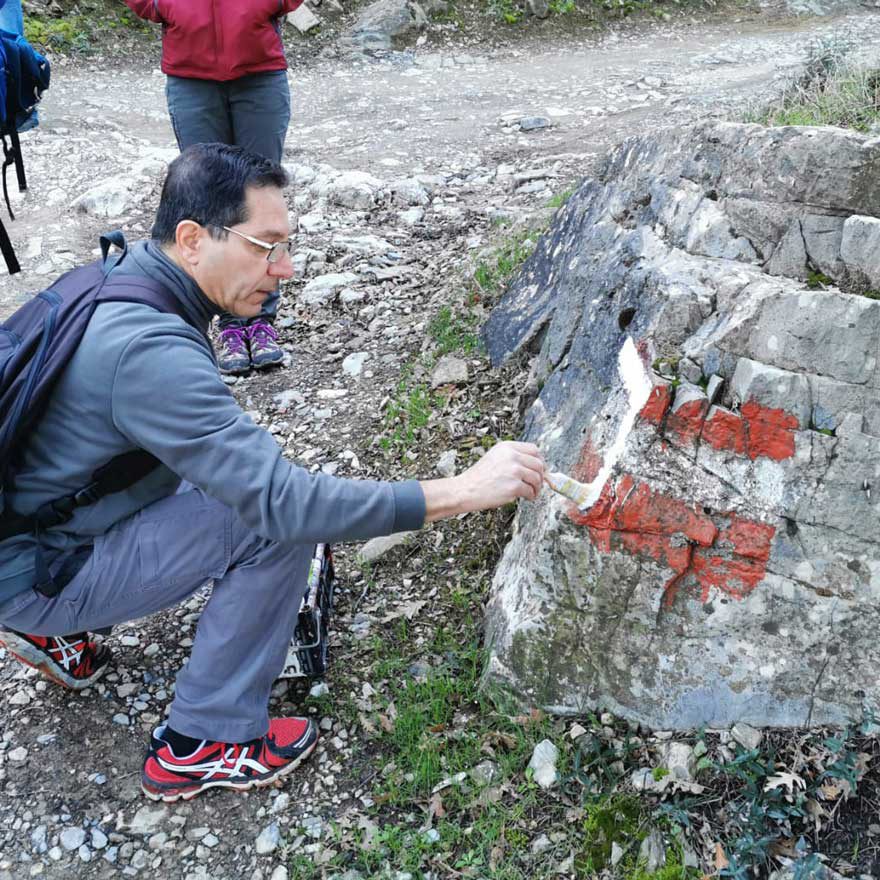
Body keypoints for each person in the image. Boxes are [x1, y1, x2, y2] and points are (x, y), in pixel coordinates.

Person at [0, 144, 546, 802]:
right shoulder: (147, 352)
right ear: (193, 239)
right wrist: (463, 491)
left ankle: (51, 627)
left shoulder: (120, 277)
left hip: (25, 527)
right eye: (265, 247)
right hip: (29, 568)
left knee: (232, 477)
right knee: (270, 525)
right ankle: (205, 739)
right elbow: (284, 506)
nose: (283, 269)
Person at [123, 0, 301, 375]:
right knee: (207, 201)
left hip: (259, 71)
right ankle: (228, 322)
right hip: (191, 76)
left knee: (260, 197)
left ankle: (261, 319)